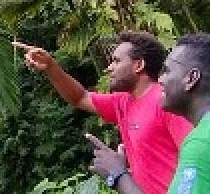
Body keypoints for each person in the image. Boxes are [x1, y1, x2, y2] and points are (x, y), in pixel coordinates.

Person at [13, 31, 192, 194]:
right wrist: (51, 67)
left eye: (116, 61)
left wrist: (119, 172)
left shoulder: (166, 102)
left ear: (138, 65)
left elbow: (196, 161)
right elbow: (79, 98)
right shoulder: (123, 102)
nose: (109, 68)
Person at [88, 33, 210, 193]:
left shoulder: (199, 144)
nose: (160, 80)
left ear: (191, 78)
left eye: (167, 71)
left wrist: (117, 175)